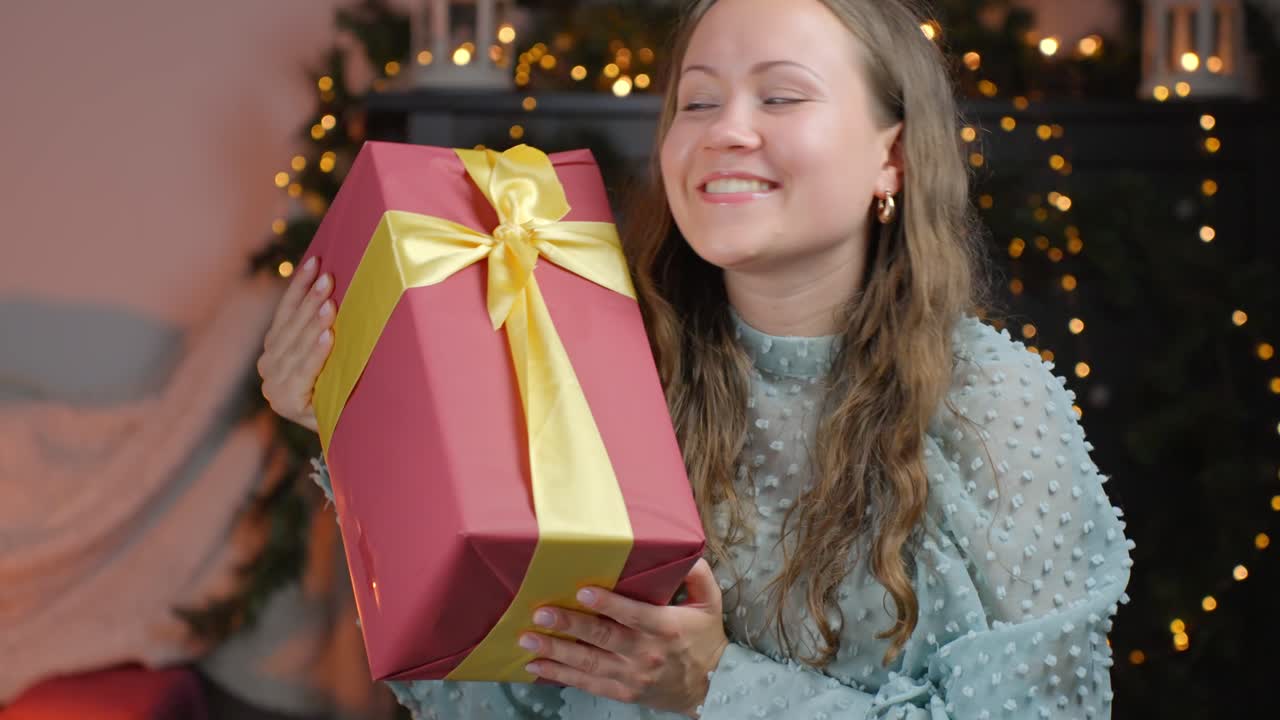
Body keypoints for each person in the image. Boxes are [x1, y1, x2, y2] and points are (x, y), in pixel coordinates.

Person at [257, 0, 1134, 717]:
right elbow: (501, 696)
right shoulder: (592, 375)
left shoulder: (993, 405)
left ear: (892, 157)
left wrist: (715, 685)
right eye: (699, 102)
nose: (727, 132)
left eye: (781, 97)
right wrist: (348, 425)